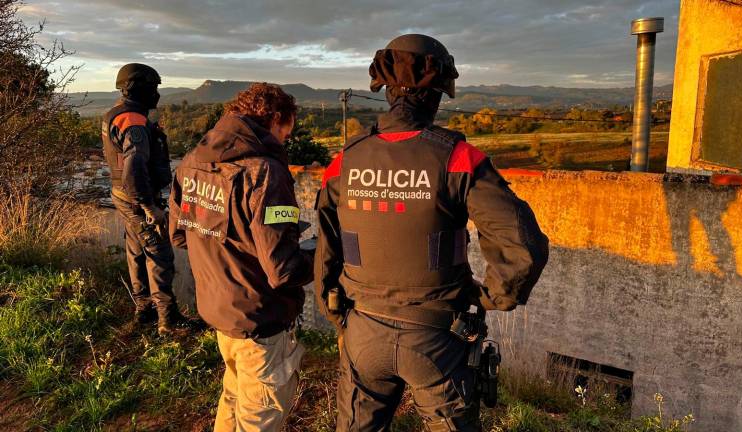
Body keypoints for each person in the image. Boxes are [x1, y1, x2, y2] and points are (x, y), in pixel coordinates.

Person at [315, 34, 550, 431]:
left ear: (388, 90)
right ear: (438, 93)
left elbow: (325, 251)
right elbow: (523, 244)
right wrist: (490, 296)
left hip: (362, 332)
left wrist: (338, 318)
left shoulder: (344, 161)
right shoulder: (458, 158)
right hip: (438, 340)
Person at [168, 83, 313, 432]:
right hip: (261, 321)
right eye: (286, 132)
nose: (285, 142)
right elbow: (282, 269)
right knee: (260, 415)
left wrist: (232, 247)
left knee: (233, 399)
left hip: (220, 313)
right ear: (275, 119)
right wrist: (323, 254)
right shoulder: (264, 172)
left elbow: (179, 233)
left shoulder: (193, 162)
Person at [102, 63, 183, 335]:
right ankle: (167, 321)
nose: (157, 93)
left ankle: (144, 311)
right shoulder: (134, 121)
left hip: (124, 195)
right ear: (140, 87)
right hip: (138, 198)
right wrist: (150, 207)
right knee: (159, 253)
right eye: (154, 87)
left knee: (137, 251)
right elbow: (135, 165)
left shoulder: (115, 114)